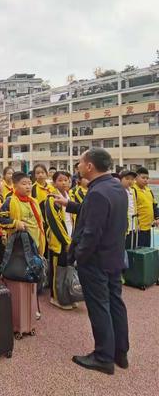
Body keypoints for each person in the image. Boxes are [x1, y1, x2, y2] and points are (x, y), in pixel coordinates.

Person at [54, 148, 129, 375]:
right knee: (116, 303)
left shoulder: (97, 192)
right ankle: (120, 353)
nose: (77, 167)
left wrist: (78, 256)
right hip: (114, 256)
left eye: (79, 162)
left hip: (96, 260)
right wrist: (70, 205)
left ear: (89, 166)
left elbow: (91, 232)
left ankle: (103, 356)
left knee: (99, 306)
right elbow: (97, 213)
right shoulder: (115, 187)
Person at [45, 171, 74, 310]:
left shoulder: (70, 196)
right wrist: (65, 241)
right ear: (54, 182)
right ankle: (56, 297)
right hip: (59, 240)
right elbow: (54, 222)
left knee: (68, 268)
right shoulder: (52, 198)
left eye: (66, 180)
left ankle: (68, 295)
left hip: (71, 237)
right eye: (61, 180)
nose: (64, 183)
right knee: (58, 269)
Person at [0, 172, 46, 257]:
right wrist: (16, 223)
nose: (28, 186)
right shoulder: (10, 201)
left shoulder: (34, 201)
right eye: (24, 184)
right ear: (15, 186)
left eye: (30, 183)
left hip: (36, 243)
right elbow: (0, 220)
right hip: (19, 245)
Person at [133, 167, 159, 247]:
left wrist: (157, 218)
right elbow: (132, 208)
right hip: (138, 228)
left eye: (147, 178)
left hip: (148, 226)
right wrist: (135, 224)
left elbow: (154, 205)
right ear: (136, 178)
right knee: (139, 251)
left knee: (147, 250)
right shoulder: (133, 190)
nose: (145, 180)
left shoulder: (148, 190)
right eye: (143, 178)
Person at [119, 170, 138, 250]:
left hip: (133, 225)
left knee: (132, 247)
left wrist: (137, 223)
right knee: (124, 248)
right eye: (127, 178)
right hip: (123, 227)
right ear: (120, 179)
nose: (130, 181)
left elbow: (134, 207)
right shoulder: (118, 191)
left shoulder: (133, 191)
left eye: (132, 179)